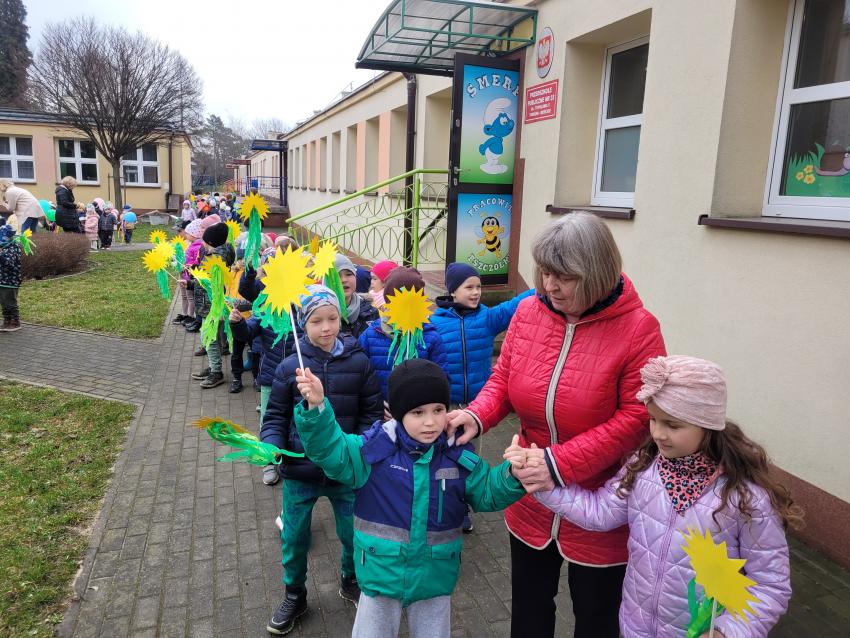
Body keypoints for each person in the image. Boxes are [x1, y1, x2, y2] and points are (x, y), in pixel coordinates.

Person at [447, 212, 666, 638]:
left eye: (564, 276)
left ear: (597, 272)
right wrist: (477, 414)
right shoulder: (529, 311)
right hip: (530, 492)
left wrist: (557, 463)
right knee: (529, 613)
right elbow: (503, 378)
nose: (550, 285)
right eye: (545, 272)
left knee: (596, 619)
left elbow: (637, 419)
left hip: (603, 501)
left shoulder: (639, 329)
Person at [507, 355, 798, 638]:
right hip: (636, 628)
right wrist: (542, 481)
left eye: (673, 425)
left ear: (707, 424)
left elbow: (769, 586)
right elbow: (600, 512)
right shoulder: (643, 467)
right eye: (653, 419)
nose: (658, 433)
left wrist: (729, 631)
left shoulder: (745, 498)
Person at [291, 358, 528, 637]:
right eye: (417, 412)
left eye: (438, 410)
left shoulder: (457, 455)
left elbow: (487, 491)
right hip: (381, 574)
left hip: (434, 577)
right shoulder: (375, 451)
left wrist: (513, 474)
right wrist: (318, 408)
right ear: (399, 413)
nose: (430, 422)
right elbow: (333, 451)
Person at [261, 284, 383, 635]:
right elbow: (275, 416)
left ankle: (351, 579)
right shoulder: (290, 368)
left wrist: (360, 449)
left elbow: (371, 414)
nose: (326, 327)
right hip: (301, 470)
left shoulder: (359, 362)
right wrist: (272, 445)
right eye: (317, 321)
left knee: (353, 533)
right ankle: (294, 594)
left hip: (345, 471)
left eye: (332, 318)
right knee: (295, 537)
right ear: (303, 324)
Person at [433, 263, 535, 406]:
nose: (476, 292)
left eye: (478, 287)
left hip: (480, 401)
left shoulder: (487, 318)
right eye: (469, 287)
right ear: (453, 291)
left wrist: (540, 290)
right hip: (447, 403)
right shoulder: (435, 323)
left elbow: (513, 305)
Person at [358, 266, 449, 401]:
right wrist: (376, 405)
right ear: (388, 301)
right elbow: (361, 377)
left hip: (418, 409)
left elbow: (441, 379)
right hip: (380, 410)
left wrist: (421, 407)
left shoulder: (430, 337)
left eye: (412, 300)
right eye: (398, 299)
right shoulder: (370, 335)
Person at [190, 221, 234, 388]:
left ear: (210, 242)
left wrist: (190, 283)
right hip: (215, 304)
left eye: (204, 239)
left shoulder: (213, 260)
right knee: (213, 337)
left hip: (210, 305)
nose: (202, 242)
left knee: (209, 337)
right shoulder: (224, 253)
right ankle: (213, 366)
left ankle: (216, 372)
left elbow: (207, 285)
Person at [334, 254, 378, 338]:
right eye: (337, 276)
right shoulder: (318, 314)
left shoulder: (371, 312)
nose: (344, 280)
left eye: (349, 274)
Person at [0, 218, 23, 332]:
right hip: (2, 280)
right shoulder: (4, 247)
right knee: (4, 302)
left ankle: (15, 322)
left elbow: (9, 263)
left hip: (10, 281)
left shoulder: (13, 248)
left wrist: (1, 256)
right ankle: (7, 321)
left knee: (10, 302)